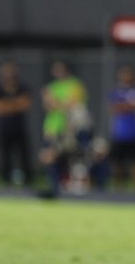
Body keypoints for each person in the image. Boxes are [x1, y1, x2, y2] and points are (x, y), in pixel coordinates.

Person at [39, 60, 92, 196]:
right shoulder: (52, 86)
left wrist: (55, 101)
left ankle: (70, 190)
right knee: (52, 159)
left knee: (71, 160)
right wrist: (57, 103)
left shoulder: (75, 85)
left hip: (70, 129)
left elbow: (72, 104)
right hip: (53, 128)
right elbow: (48, 105)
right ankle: (55, 188)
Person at [108, 64, 135, 198]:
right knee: (117, 164)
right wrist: (130, 106)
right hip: (120, 134)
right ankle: (118, 191)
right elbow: (114, 108)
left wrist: (126, 106)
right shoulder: (117, 92)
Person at [0, 61, 33, 186]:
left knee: (24, 153)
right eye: (6, 72)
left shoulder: (22, 87)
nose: (8, 75)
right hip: (5, 128)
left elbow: (25, 104)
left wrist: (7, 105)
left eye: (10, 72)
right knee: (5, 154)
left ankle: (28, 180)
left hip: (19, 127)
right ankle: (6, 180)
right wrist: (15, 105)